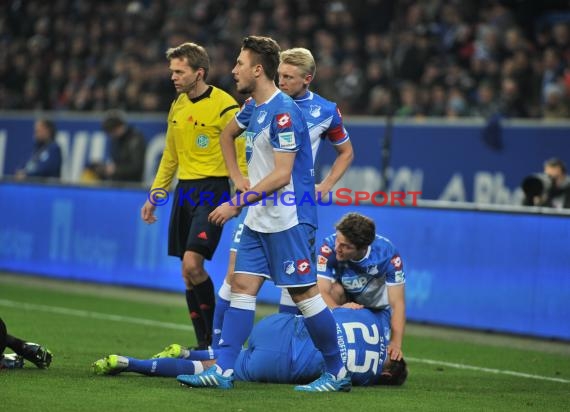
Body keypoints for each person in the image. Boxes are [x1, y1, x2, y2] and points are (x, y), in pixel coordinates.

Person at [182, 35, 350, 392]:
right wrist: (237, 177)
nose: (233, 70)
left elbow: (281, 174)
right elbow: (227, 137)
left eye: (239, 64)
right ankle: (224, 370)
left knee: (304, 295)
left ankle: (336, 372)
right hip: (260, 217)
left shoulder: (285, 112)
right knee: (242, 285)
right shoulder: (252, 108)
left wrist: (235, 202)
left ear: (258, 69)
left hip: (287, 219)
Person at [140, 42, 242, 350]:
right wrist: (155, 194)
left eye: (179, 71)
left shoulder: (225, 106)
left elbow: (241, 157)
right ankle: (203, 345)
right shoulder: (178, 105)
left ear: (199, 73)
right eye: (172, 71)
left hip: (213, 190)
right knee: (187, 273)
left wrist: (237, 199)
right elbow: (170, 156)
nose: (173, 76)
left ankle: (215, 337)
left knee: (192, 263)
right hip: (185, 191)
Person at [92, 308, 408, 387]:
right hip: (280, 364)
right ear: (388, 375)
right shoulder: (366, 377)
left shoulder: (368, 318)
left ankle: (187, 351)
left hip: (275, 326)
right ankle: (132, 363)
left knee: (233, 353)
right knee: (215, 369)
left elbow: (331, 307)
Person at [317, 212, 407, 362]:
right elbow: (322, 291)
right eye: (338, 240)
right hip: (346, 303)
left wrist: (396, 344)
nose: (338, 248)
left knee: (385, 362)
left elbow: (397, 304)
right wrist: (340, 311)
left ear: (363, 248)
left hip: (377, 310)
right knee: (334, 290)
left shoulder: (387, 254)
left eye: (346, 246)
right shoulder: (329, 247)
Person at [85, 110, 147, 183]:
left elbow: (137, 167)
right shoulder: (116, 139)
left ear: (120, 127)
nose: (111, 135)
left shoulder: (135, 139)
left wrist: (116, 170)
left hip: (133, 186)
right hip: (119, 183)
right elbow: (117, 161)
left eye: (112, 131)